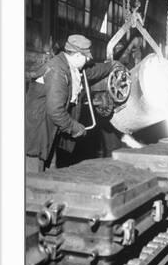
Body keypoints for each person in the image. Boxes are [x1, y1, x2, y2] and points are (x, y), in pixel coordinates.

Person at [26, 34, 117, 172]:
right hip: (38, 133)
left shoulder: (70, 65)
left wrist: (112, 66)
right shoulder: (58, 71)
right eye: (86, 57)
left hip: (50, 130)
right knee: (35, 179)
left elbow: (92, 70)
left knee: (50, 174)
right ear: (77, 55)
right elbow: (55, 111)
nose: (88, 60)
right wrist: (74, 128)